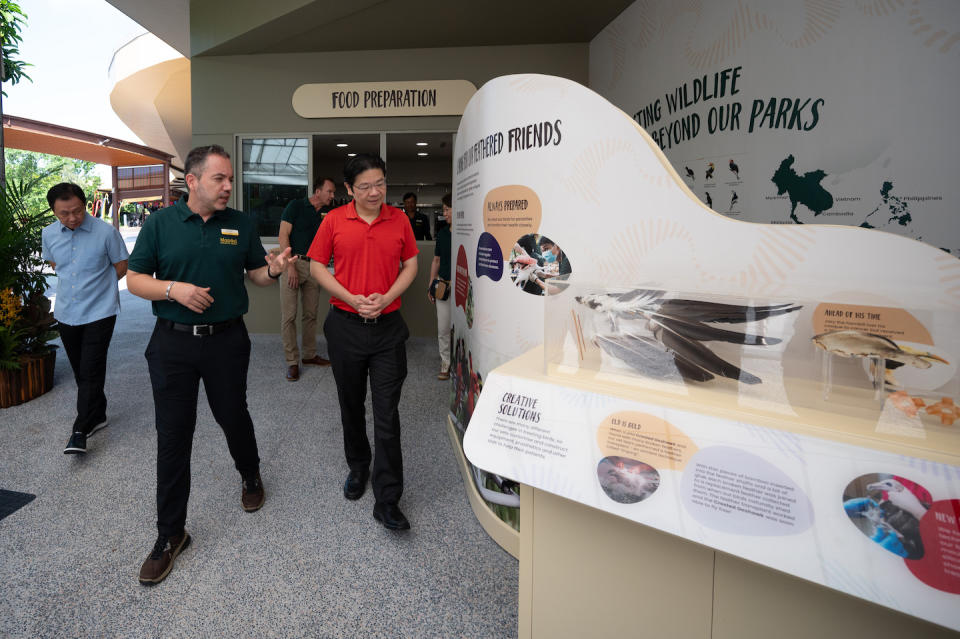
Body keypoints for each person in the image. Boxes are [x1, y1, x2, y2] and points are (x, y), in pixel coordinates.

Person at [126, 145, 297, 585]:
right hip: (172, 345)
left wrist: (273, 270)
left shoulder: (238, 224)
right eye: (220, 179)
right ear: (193, 181)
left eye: (230, 180)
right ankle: (170, 535)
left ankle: (250, 473)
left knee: (232, 414)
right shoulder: (161, 224)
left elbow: (255, 275)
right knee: (173, 434)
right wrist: (174, 291)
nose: (228, 187)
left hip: (226, 341)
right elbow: (135, 279)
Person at [308, 154, 418, 531]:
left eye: (381, 183)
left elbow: (411, 265)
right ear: (349, 189)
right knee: (351, 405)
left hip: (388, 329)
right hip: (346, 326)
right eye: (366, 186)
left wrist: (385, 298)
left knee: (387, 414)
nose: (376, 192)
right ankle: (358, 467)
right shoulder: (335, 220)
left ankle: (387, 498)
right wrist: (352, 297)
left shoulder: (399, 218)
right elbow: (316, 265)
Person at [41, 183, 129, 455]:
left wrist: (100, 289)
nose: (72, 218)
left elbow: (121, 266)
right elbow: (56, 265)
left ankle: (79, 430)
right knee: (81, 369)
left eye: (77, 211)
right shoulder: (48, 234)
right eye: (64, 213)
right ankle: (98, 413)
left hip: (100, 311)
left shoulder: (106, 232)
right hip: (67, 311)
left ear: (85, 205)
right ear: (54, 212)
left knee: (91, 368)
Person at [278, 177, 336, 381]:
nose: (332, 195)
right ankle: (292, 362)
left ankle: (309, 356)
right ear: (318, 191)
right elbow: (283, 235)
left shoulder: (326, 214)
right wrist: (290, 265)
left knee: (311, 314)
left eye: (333, 192)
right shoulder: (296, 206)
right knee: (289, 316)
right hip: (293, 263)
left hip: (314, 266)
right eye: (329, 191)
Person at [428, 193, 453, 380]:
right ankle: (445, 362)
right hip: (443, 286)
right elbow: (436, 260)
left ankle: (460, 362)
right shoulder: (443, 233)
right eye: (443, 209)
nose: (444, 213)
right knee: (443, 328)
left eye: (447, 209)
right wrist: (431, 283)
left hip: (462, 288)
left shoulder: (468, 231)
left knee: (461, 330)